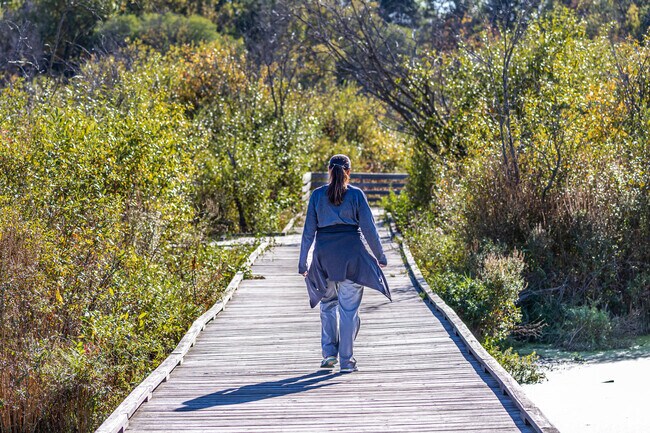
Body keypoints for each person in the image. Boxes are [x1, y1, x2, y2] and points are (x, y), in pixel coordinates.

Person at [298, 154, 391, 373]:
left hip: (324, 259)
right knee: (349, 310)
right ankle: (346, 361)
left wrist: (303, 263)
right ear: (349, 171)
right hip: (352, 257)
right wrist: (380, 256)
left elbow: (308, 232)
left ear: (329, 170)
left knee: (328, 304)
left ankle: (329, 353)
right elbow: (369, 229)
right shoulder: (356, 195)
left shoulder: (317, 196)